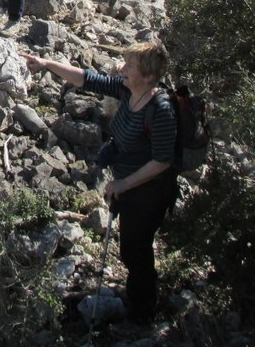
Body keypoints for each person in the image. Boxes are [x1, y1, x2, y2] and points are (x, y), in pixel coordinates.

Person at [21, 40, 177, 325]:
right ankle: (139, 295)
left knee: (136, 248)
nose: (123, 68)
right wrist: (47, 64)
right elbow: (86, 79)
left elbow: (162, 161)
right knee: (133, 245)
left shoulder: (161, 109)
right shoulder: (126, 89)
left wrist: (124, 184)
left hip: (150, 192)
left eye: (131, 66)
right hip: (127, 185)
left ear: (149, 75)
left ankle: (143, 313)